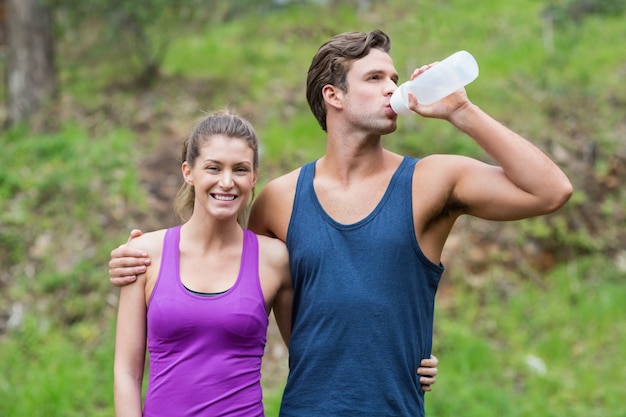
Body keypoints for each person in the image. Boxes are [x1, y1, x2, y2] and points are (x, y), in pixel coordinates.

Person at [110, 30, 572, 416]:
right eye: (374, 77)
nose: (392, 87)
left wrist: (461, 112)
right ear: (333, 95)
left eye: (394, 77)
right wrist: (140, 258)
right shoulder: (279, 200)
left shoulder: (433, 180)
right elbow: (230, 284)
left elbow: (551, 191)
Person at [113, 110, 293, 417]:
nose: (226, 182)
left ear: (253, 178)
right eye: (213, 167)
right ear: (188, 171)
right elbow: (127, 373)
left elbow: (307, 358)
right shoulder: (143, 255)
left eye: (240, 169)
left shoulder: (275, 259)